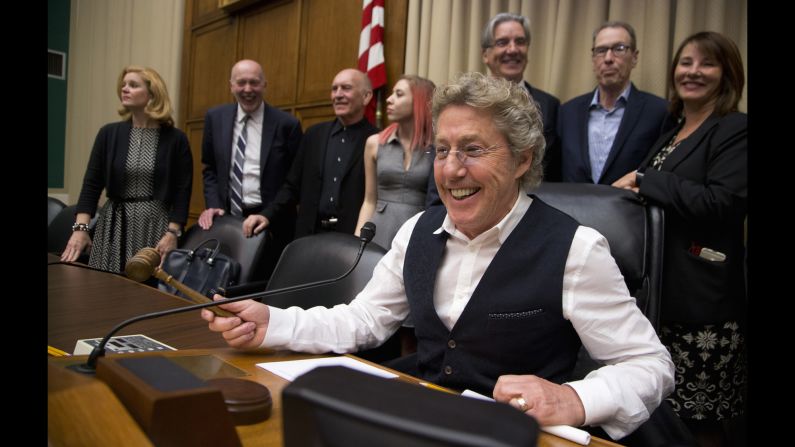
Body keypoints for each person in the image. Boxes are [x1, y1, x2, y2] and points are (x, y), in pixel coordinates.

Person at [204, 72, 674, 440]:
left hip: (512, 436)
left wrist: (573, 397)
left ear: (523, 159)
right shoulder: (417, 230)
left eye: (473, 150)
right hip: (420, 422)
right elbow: (364, 320)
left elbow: (650, 366)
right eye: (443, 150)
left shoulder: (576, 248)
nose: (451, 170)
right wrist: (275, 322)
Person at [612, 31, 747, 447]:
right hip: (660, 296)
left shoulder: (734, 128)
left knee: (701, 421)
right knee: (662, 419)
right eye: (685, 62)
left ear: (727, 74)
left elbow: (724, 202)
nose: (693, 72)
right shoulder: (673, 131)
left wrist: (647, 180)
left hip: (702, 303)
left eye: (707, 63)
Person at [61, 65, 192, 274]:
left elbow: (183, 190)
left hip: (155, 228)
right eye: (123, 85)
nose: (125, 89)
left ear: (152, 94)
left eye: (133, 85)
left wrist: (173, 233)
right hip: (113, 224)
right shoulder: (109, 133)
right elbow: (91, 184)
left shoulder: (176, 139)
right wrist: (80, 229)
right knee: (103, 287)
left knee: (146, 294)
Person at [242, 69, 378, 238]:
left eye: (346, 88)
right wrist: (266, 215)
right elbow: (292, 186)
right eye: (334, 89)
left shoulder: (377, 140)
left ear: (366, 96)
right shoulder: (314, 135)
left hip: (350, 239)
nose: (338, 95)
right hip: (308, 236)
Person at [559, 21, 672, 185]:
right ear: (593, 59)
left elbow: (661, 174)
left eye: (619, 49)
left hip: (628, 208)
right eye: (601, 50)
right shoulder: (567, 112)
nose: (608, 59)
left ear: (634, 57)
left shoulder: (659, 112)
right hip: (571, 209)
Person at [199, 60, 302, 234]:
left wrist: (269, 215)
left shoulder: (287, 124)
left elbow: (295, 180)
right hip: (227, 219)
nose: (247, 89)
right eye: (241, 83)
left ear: (264, 85)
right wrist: (214, 206)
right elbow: (210, 170)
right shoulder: (215, 118)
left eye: (254, 82)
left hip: (272, 222)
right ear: (231, 86)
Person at [354, 75, 435, 250]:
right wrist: (356, 243)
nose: (389, 100)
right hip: (379, 231)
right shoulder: (374, 143)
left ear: (420, 102)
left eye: (399, 94)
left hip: (418, 231)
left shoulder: (436, 147)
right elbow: (369, 201)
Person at [481, 13, 561, 181]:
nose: (512, 49)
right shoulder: (468, 103)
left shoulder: (550, 106)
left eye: (520, 42)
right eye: (502, 42)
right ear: (485, 55)